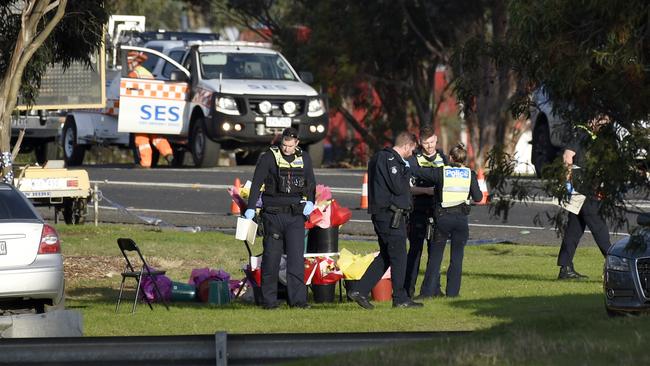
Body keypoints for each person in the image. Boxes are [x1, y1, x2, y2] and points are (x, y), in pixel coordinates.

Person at [347, 131, 423, 309]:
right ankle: (400, 298)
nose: (412, 154)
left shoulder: (384, 158)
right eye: (412, 150)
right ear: (406, 146)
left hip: (387, 215)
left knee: (386, 256)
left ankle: (359, 290)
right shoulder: (389, 160)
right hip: (389, 216)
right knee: (399, 257)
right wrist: (407, 169)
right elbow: (397, 187)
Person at [243, 127, 316, 309]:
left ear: (297, 143)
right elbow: (257, 183)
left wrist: (310, 203)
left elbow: (311, 184)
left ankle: (298, 301)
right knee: (271, 259)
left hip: (295, 216)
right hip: (273, 215)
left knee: (296, 260)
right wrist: (251, 208)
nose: (286, 149)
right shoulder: (269, 157)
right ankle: (269, 301)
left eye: (290, 146)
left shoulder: (304, 158)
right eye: (284, 145)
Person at [411, 143, 482, 298]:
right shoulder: (470, 174)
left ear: (450, 158)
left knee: (436, 257)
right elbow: (478, 197)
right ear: (465, 159)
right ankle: (453, 293)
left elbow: (419, 173)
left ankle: (427, 292)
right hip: (461, 220)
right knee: (457, 257)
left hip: (443, 219)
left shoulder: (441, 172)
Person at [557, 119, 611, 279]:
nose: (605, 125)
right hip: (582, 188)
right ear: (593, 120)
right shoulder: (581, 132)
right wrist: (567, 183)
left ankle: (565, 267)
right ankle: (616, 264)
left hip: (585, 186)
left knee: (575, 228)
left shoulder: (593, 136)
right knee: (599, 227)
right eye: (603, 121)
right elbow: (568, 156)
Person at [404, 125, 448, 298]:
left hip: (437, 211)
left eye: (432, 142)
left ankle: (434, 289)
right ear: (420, 142)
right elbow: (407, 188)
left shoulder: (443, 158)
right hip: (418, 210)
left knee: (434, 251)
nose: (429, 146)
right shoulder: (413, 160)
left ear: (436, 140)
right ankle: (407, 290)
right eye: (425, 143)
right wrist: (427, 191)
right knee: (415, 250)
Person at [126, 50, 174, 169]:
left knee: (141, 137)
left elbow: (129, 92)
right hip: (151, 109)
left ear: (132, 62)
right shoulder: (147, 73)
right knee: (156, 136)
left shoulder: (134, 74)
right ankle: (168, 154)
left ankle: (145, 163)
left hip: (139, 109)